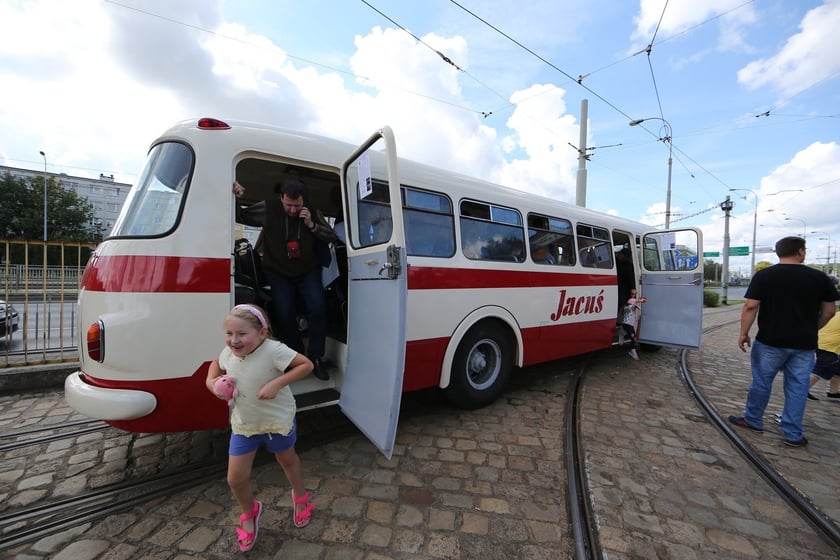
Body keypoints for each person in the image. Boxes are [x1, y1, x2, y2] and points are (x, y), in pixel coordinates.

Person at [205, 304, 316, 552]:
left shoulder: (273, 350)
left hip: (276, 422)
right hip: (245, 425)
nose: (234, 340)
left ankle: (300, 497)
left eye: (242, 334)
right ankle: (250, 512)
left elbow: (305, 365)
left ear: (262, 334)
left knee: (288, 461)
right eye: (229, 334)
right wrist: (212, 383)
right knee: (235, 478)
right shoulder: (229, 352)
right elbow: (216, 362)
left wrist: (277, 383)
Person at [729, 236, 839, 447]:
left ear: (778, 253)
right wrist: (813, 328)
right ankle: (793, 434)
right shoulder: (819, 277)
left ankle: (753, 420)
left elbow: (751, 307)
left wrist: (743, 333)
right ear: (800, 252)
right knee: (798, 387)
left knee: (761, 382)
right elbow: (830, 311)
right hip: (804, 344)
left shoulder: (765, 276)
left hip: (770, 340)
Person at [234, 178, 337, 380]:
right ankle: (296, 357)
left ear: (303, 201)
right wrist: (237, 197)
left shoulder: (311, 211)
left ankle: (316, 357)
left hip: (308, 271)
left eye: (296, 205)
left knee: (318, 308)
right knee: (284, 313)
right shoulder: (268, 207)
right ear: (281, 198)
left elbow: (331, 236)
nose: (292, 210)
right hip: (278, 272)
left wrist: (311, 224)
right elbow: (241, 215)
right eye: (288, 205)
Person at [807, 312, 840, 401]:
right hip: (829, 347)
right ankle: (803, 390)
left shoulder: (837, 314)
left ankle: (833, 392)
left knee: (837, 369)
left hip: (821, 342)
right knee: (821, 369)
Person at [620, 288, 645, 361]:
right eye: (632, 294)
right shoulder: (630, 300)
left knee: (634, 337)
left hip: (630, 324)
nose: (634, 295)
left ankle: (622, 336)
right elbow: (637, 301)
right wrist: (642, 300)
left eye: (635, 294)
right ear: (630, 294)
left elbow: (638, 306)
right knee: (633, 338)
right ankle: (632, 352)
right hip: (626, 324)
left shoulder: (634, 303)